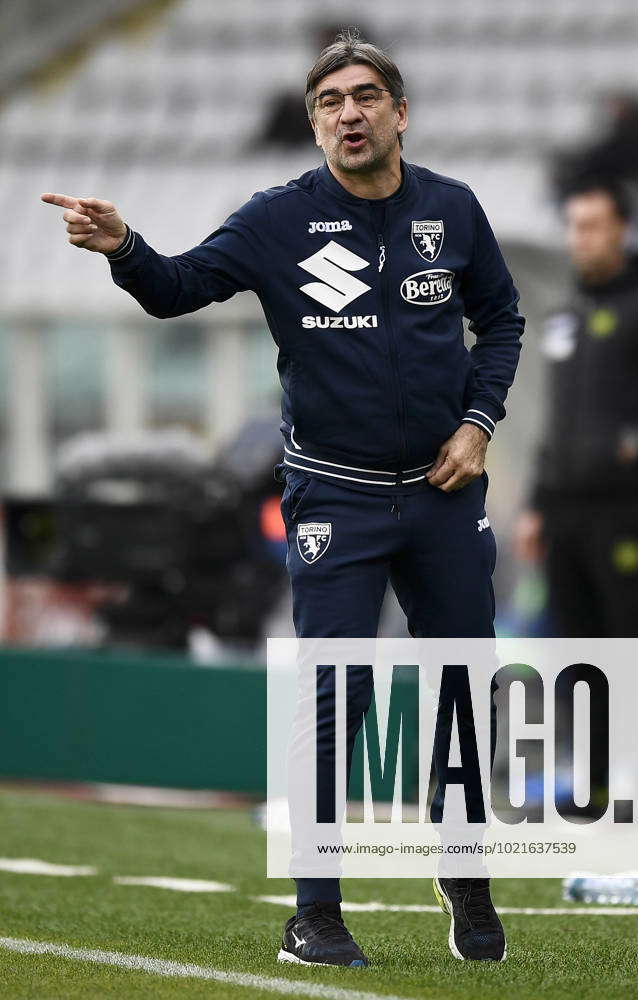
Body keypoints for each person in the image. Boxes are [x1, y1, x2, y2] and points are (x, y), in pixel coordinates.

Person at [42, 28, 523, 966]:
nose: (348, 113)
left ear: (399, 112)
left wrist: (477, 425)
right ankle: (316, 912)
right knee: (332, 697)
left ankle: (463, 868)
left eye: (363, 97)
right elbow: (178, 288)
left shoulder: (453, 210)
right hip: (334, 501)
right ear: (312, 125)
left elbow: (500, 318)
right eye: (329, 103)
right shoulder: (277, 220)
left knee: (466, 688)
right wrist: (124, 247)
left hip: (441, 493)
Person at [514, 180, 638, 637]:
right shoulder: (567, 314)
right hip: (561, 513)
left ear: (622, 229)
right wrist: (535, 505)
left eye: (592, 226)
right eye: (574, 226)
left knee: (626, 643)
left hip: (621, 507)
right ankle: (583, 714)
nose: (580, 237)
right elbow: (557, 419)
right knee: (575, 651)